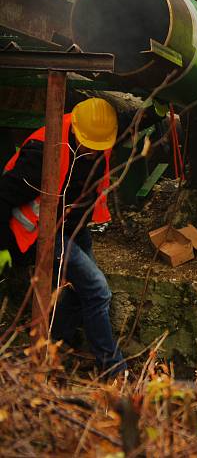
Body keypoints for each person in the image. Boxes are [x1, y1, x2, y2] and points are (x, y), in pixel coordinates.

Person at [0, 97, 132, 375]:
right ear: (75, 132)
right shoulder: (42, 154)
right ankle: (112, 368)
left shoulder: (99, 133)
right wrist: (2, 245)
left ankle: (56, 346)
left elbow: (134, 122)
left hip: (72, 224)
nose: (96, 153)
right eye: (91, 148)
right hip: (41, 231)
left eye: (101, 149)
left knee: (81, 288)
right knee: (97, 290)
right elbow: (3, 195)